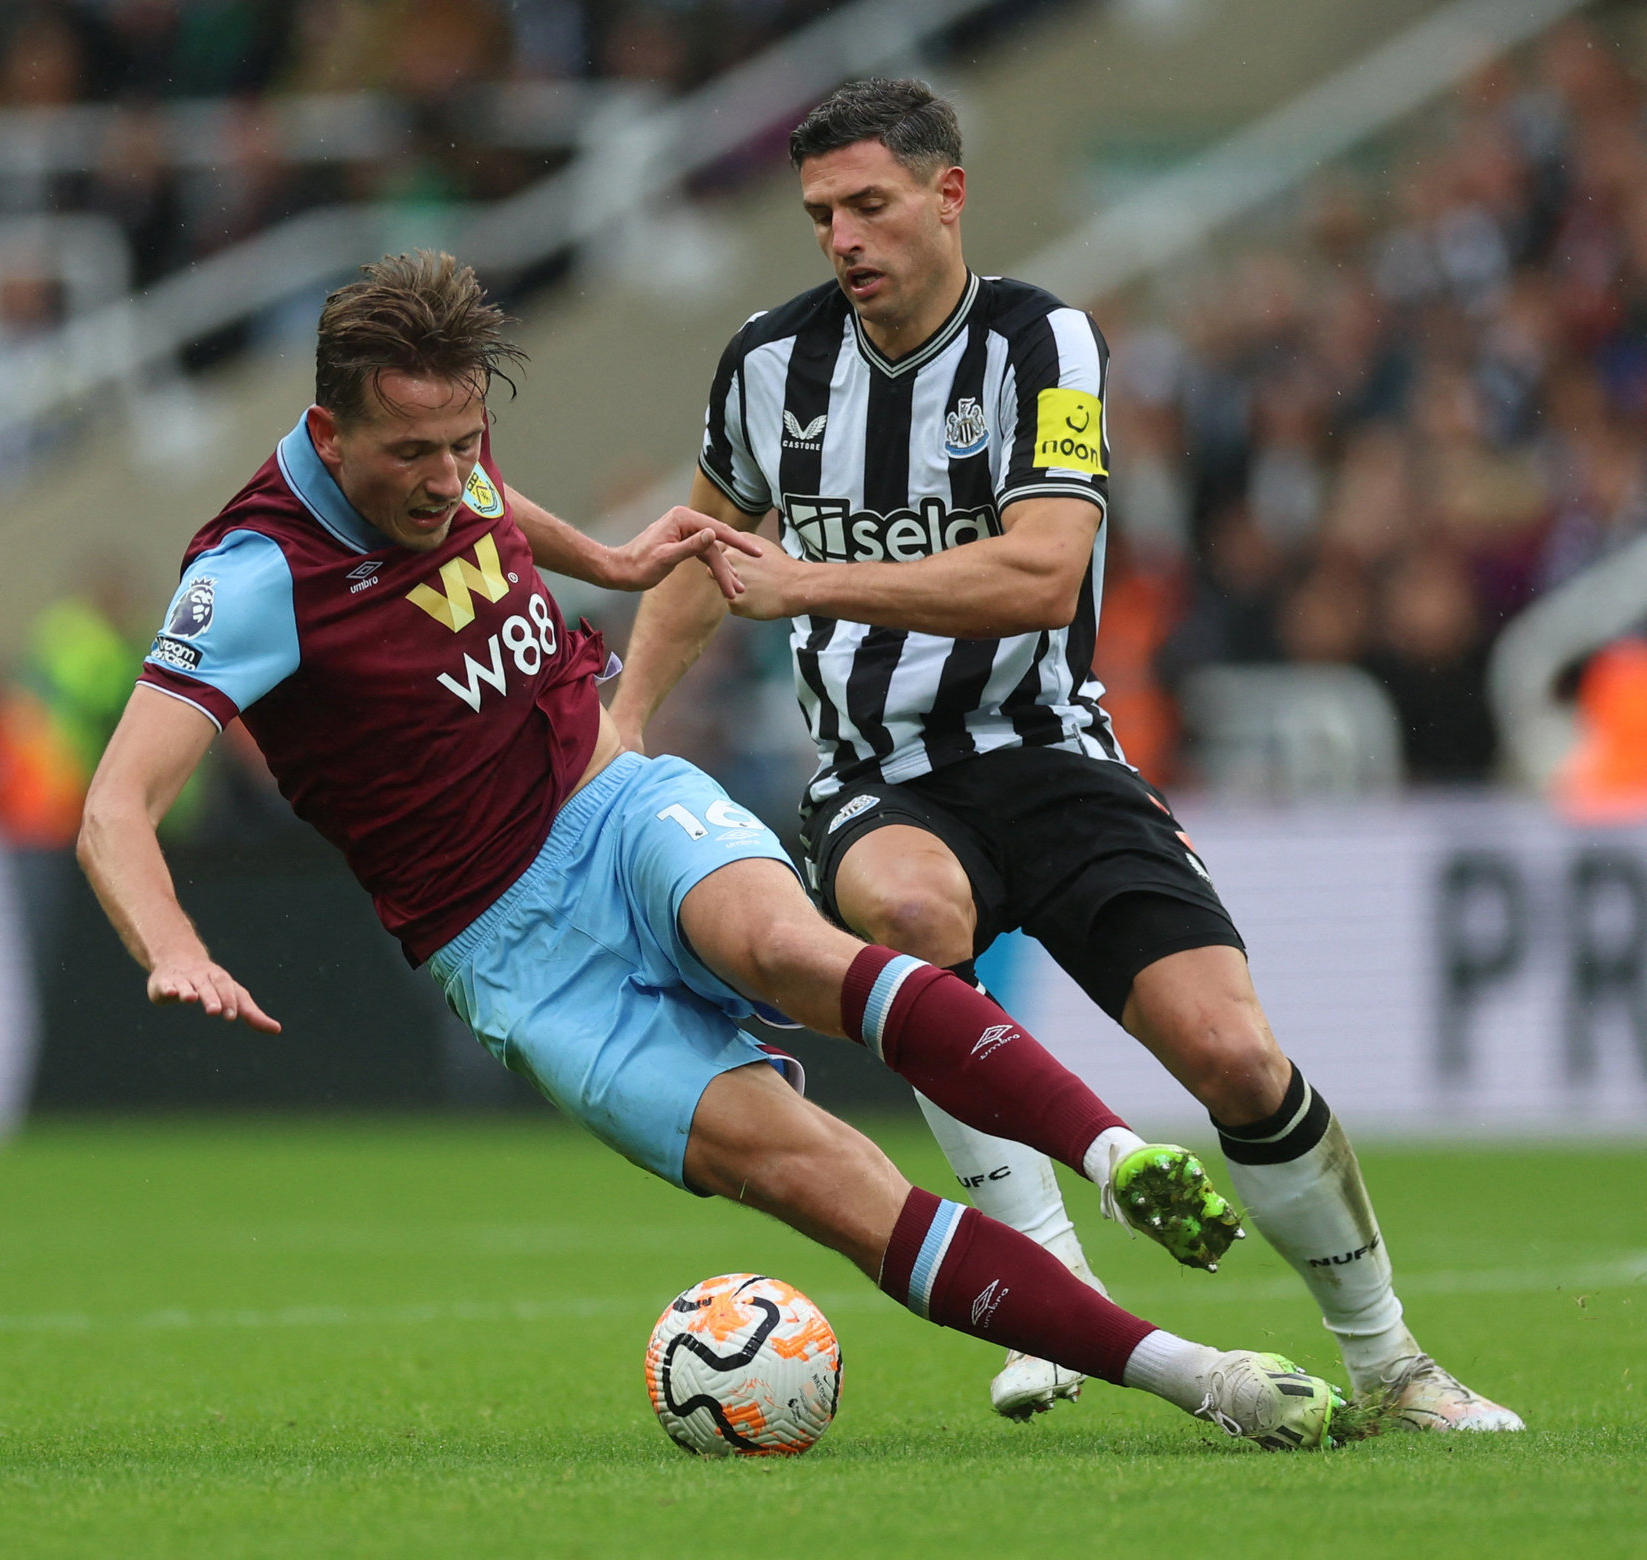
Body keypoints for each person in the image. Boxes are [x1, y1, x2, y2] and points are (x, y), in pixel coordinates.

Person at [77, 250, 1363, 1452]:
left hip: (615, 804)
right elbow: (114, 810)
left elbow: (485, 498)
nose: (443, 474)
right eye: (409, 451)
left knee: (783, 942)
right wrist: (175, 946)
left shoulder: (444, 454)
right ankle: (1206, 1378)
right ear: (326, 437)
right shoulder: (252, 576)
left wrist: (614, 560)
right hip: (508, 952)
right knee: (831, 1186)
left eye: (462, 439)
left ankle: (1113, 1155)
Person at [609, 79, 1522, 1432]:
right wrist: (621, 732)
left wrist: (811, 585)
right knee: (910, 917)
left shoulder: (1046, 346)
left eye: (869, 205)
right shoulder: (769, 365)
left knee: (1233, 1058)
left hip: (1054, 755)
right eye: (819, 215)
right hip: (881, 771)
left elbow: (1043, 577)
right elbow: (705, 556)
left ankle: (1390, 1363)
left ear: (948, 194)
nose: (843, 239)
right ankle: (1043, 1282)